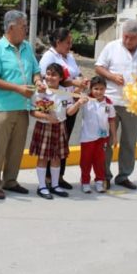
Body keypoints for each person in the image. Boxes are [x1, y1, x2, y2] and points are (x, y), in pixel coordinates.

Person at [0, 10, 44, 200]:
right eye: (23, 27)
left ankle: (10, 180)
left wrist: (38, 80)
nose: (26, 30)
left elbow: (35, 70)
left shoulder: (26, 47)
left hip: (23, 106)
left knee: (17, 148)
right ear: (11, 28)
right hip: (3, 107)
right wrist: (18, 88)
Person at [95, 19, 137, 190]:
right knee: (107, 141)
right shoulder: (112, 47)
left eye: (132, 38)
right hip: (112, 102)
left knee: (129, 141)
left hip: (134, 104)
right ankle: (104, 176)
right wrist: (111, 76)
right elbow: (98, 67)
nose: (128, 41)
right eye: (125, 37)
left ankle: (123, 176)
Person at [38, 27, 88, 190]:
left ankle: (58, 176)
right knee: (51, 142)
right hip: (54, 105)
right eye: (67, 42)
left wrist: (81, 80)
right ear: (58, 42)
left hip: (70, 101)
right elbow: (51, 80)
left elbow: (76, 74)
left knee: (63, 141)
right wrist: (74, 82)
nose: (70, 45)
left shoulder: (70, 57)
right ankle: (46, 178)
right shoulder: (49, 57)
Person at [29, 63, 87, 199]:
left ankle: (55, 185)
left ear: (61, 78)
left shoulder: (64, 93)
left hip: (59, 127)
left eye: (54, 75)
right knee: (42, 157)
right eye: (48, 74)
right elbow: (32, 112)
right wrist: (47, 117)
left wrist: (78, 103)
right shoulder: (40, 91)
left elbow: (69, 112)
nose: (50, 77)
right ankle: (42, 186)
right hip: (44, 127)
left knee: (56, 158)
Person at [79, 76, 117, 193]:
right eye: (95, 89)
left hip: (102, 138)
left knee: (100, 161)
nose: (98, 92)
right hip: (87, 138)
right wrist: (81, 85)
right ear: (91, 89)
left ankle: (99, 182)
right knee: (86, 161)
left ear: (105, 89)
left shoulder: (109, 103)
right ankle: (85, 182)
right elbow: (76, 94)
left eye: (101, 89)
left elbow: (111, 120)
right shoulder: (85, 100)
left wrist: (114, 137)